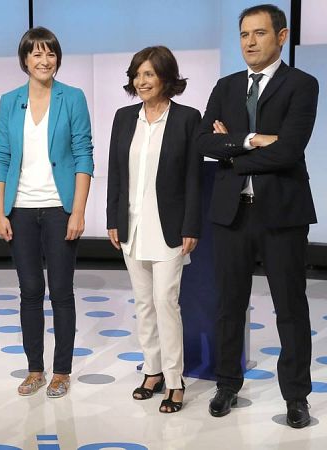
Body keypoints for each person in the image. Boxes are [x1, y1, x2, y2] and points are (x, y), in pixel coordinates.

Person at [196, 4, 318, 428]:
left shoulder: (302, 84)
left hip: (282, 214)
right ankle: (227, 384)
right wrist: (252, 140)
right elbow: (203, 143)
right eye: (244, 34)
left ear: (281, 37)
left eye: (259, 33)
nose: (249, 42)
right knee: (229, 305)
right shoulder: (226, 86)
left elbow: (289, 150)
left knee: (291, 308)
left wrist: (231, 150)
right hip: (231, 213)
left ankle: (296, 397)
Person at [0, 27, 93, 399]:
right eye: (36, 54)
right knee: (30, 291)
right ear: (25, 60)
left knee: (61, 292)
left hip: (58, 209)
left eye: (50, 53)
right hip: (19, 209)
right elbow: (1, 157)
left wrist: (78, 211)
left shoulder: (73, 97)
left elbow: (83, 155)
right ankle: (35, 369)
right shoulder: (9, 101)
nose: (44, 60)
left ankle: (61, 371)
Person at [106, 46, 202, 413]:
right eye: (137, 74)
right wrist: (113, 219)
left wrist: (191, 224)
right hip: (131, 225)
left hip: (170, 228)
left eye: (149, 74)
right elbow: (116, 173)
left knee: (165, 302)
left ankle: (175, 380)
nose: (141, 81)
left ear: (166, 77)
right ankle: (152, 370)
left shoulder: (187, 118)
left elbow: (193, 178)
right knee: (143, 303)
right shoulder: (123, 117)